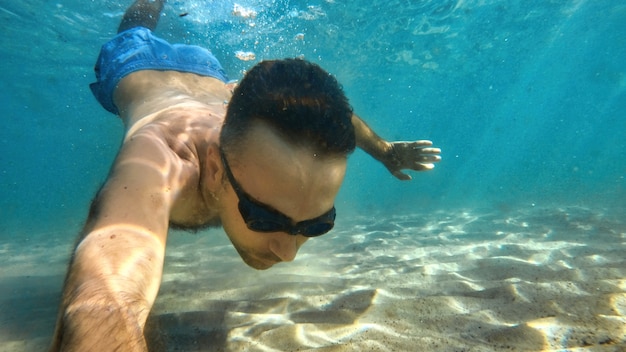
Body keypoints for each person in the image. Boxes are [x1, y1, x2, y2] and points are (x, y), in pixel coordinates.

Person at [50, 0, 441, 350]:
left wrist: (385, 151)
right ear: (217, 169)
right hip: (135, 62)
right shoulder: (161, 158)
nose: (287, 254)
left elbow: (322, 111)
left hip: (210, 73)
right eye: (265, 218)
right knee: (136, 25)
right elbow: (101, 293)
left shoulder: (253, 132)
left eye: (317, 225)